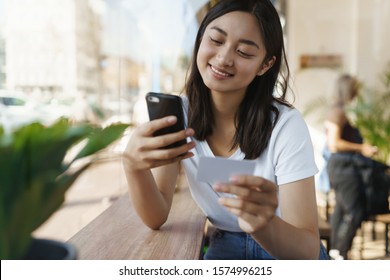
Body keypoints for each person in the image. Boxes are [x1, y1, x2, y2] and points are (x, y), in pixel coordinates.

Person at [123, 0, 328, 260]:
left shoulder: (285, 126)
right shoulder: (179, 118)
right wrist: (133, 167)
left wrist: (263, 224)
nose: (223, 58)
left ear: (265, 65)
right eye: (216, 40)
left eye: (243, 52)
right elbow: (157, 215)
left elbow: (307, 251)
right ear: (200, 39)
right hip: (225, 244)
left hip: (283, 246)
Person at [325, 74, 378, 259]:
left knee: (341, 209)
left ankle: (334, 252)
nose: (357, 93)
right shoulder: (337, 112)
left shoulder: (340, 110)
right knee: (355, 210)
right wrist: (362, 148)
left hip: (344, 167)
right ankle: (339, 252)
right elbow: (334, 143)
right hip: (343, 167)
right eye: (354, 88)